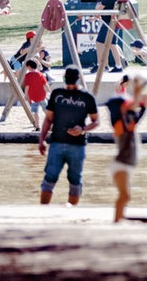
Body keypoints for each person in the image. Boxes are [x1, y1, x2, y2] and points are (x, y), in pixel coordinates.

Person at [38, 66, 99, 206]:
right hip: (58, 143)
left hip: (75, 145)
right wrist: (41, 139)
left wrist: (82, 129)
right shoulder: (57, 94)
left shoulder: (87, 97)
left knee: (73, 180)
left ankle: (69, 212)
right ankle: (44, 211)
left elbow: (96, 121)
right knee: (52, 178)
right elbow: (48, 119)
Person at [105, 74, 147, 222]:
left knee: (125, 196)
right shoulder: (120, 125)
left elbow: (142, 107)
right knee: (125, 196)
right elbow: (134, 103)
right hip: (121, 164)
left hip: (126, 164)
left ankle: (119, 220)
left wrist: (144, 89)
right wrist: (137, 88)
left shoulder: (129, 123)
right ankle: (116, 223)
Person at [91, 0, 124, 73]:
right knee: (111, 44)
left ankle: (112, 65)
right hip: (112, 21)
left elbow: (99, 7)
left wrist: (95, 14)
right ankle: (109, 65)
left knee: (106, 43)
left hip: (110, 22)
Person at [22, 59, 51, 128]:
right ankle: (51, 125)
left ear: (29, 66)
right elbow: (45, 85)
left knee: (35, 112)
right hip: (42, 96)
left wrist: (25, 96)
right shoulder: (40, 74)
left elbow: (27, 87)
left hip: (34, 97)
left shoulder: (28, 76)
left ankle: (37, 126)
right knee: (46, 111)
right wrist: (50, 92)